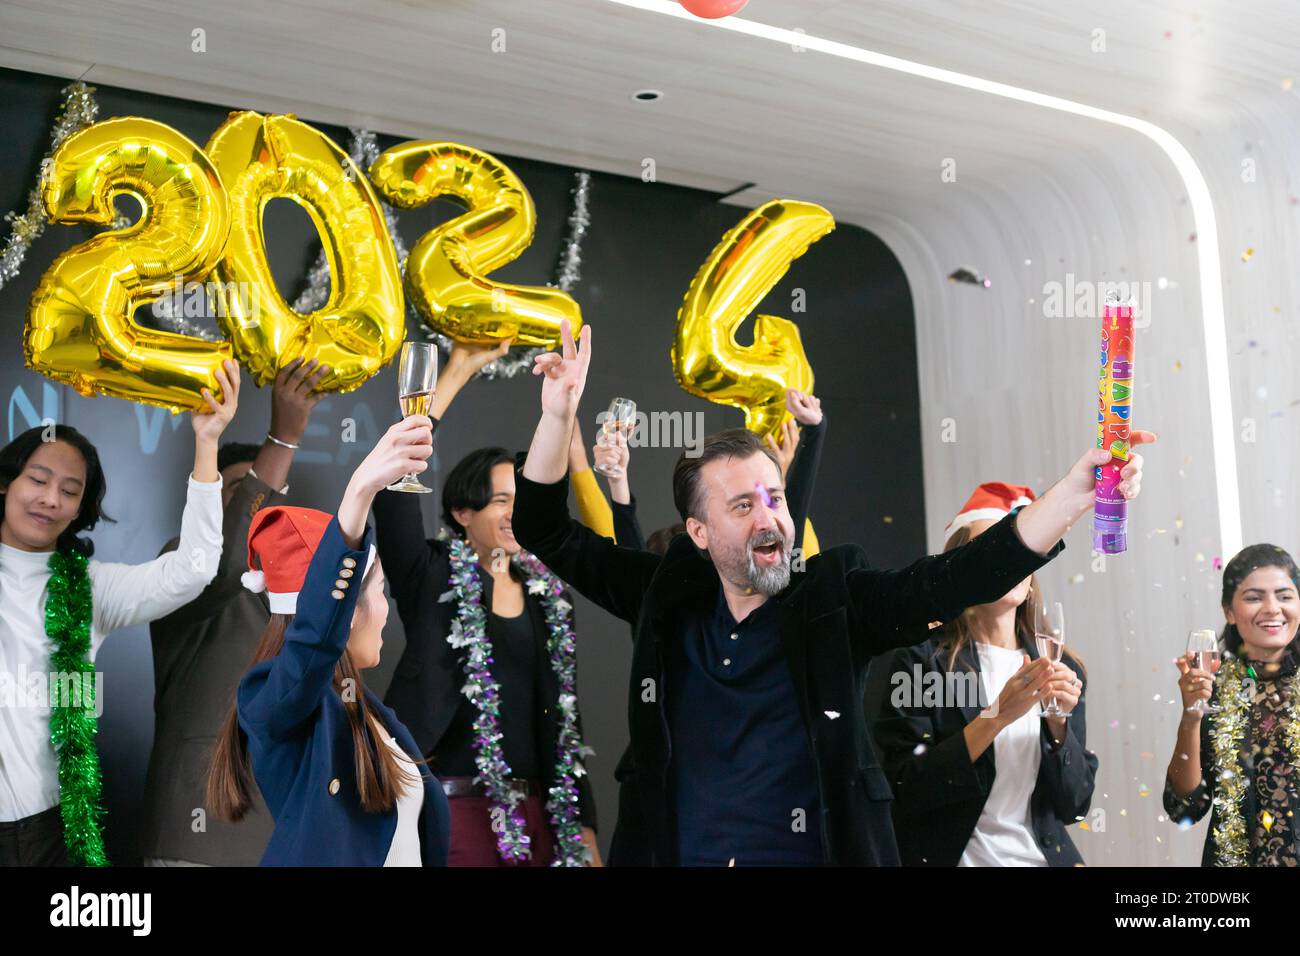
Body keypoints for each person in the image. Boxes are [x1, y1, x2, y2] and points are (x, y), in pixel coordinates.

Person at [511, 319, 1152, 866]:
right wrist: (557, 415)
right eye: (743, 506)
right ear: (699, 532)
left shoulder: (834, 602)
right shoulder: (663, 598)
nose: (770, 518)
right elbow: (543, 527)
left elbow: (956, 578)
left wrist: (1071, 495)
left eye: (775, 499)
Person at [0, 359, 239, 866]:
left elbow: (192, 571)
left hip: (52, 830)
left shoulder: (91, 588)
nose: (50, 499)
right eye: (37, 480)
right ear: (6, 483)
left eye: (69, 491)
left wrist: (207, 441)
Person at [375, 340, 600, 866]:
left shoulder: (550, 596)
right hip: (454, 812)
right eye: (501, 500)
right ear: (460, 512)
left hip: (543, 816)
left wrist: (584, 827)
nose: (513, 514)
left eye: (520, 501)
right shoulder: (430, 575)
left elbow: (569, 722)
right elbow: (393, 488)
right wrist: (455, 372)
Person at [207, 415, 450, 866]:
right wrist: (359, 493)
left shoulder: (367, 710)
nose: (386, 611)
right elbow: (312, 642)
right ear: (345, 611)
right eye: (380, 593)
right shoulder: (272, 700)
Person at [142, 358, 328, 866]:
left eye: (272, 498)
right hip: (201, 833)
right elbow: (224, 564)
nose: (261, 509)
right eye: (237, 494)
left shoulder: (308, 591)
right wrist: (283, 439)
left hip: (287, 834)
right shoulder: (182, 564)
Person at [874, 482, 1097, 866]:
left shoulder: (1061, 665)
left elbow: (1074, 805)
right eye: (995, 554)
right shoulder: (921, 663)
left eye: (1019, 555)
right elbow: (903, 790)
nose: (1011, 567)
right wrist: (996, 717)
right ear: (964, 569)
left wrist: (1059, 727)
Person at [1164, 543, 1300, 866]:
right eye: (1254, 597)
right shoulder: (1214, 685)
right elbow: (1184, 809)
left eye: (1284, 596)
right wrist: (1192, 716)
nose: (1272, 608)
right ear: (1229, 611)